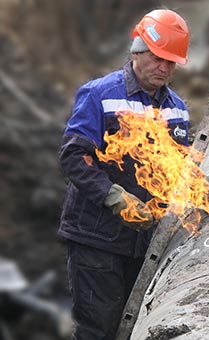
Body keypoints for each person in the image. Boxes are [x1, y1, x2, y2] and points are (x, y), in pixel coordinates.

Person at [58, 9, 190, 339]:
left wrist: (200, 187)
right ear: (138, 51)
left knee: (135, 329)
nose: (165, 68)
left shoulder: (177, 108)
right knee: (98, 330)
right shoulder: (101, 95)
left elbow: (177, 166)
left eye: (171, 63)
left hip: (146, 243)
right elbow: (74, 156)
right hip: (97, 240)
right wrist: (113, 196)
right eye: (159, 58)